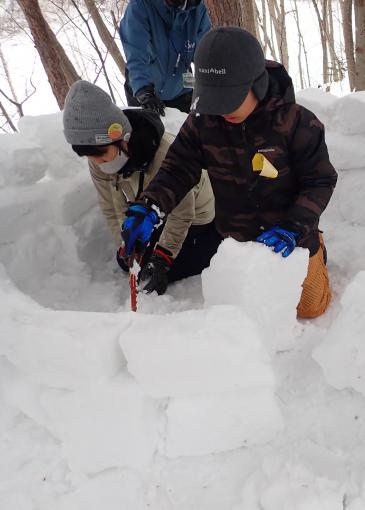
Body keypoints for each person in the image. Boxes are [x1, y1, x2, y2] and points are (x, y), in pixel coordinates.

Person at [120, 27, 337, 319]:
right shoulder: (203, 123)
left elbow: (319, 181)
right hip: (237, 241)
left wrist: (296, 227)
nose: (222, 111)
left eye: (230, 99)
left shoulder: (297, 123)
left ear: (257, 83)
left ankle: (318, 250)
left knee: (309, 308)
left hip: (290, 237)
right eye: (215, 100)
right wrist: (150, 206)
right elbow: (178, 168)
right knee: (241, 314)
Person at [62, 80, 217, 295]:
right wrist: (125, 246)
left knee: (164, 270)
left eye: (100, 154)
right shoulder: (98, 158)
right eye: (89, 157)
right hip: (151, 212)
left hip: (196, 216)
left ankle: (215, 240)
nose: (97, 162)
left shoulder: (164, 154)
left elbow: (183, 213)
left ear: (122, 140)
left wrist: (162, 257)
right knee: (130, 264)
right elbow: (111, 206)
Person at [119, 0, 211, 115]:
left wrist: (212, 80)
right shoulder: (140, 6)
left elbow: (205, 54)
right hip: (144, 88)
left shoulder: (197, 10)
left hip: (180, 90)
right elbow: (136, 54)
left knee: (182, 131)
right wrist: (143, 90)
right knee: (148, 131)